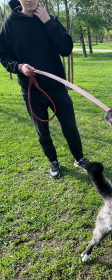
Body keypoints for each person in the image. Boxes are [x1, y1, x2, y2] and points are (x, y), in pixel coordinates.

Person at [0, 0, 88, 179]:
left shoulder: (50, 19)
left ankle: (79, 158)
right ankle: (53, 161)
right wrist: (19, 67)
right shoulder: (9, 24)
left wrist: (48, 22)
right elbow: (4, 55)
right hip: (31, 89)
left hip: (56, 87)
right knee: (42, 130)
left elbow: (66, 49)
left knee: (70, 126)